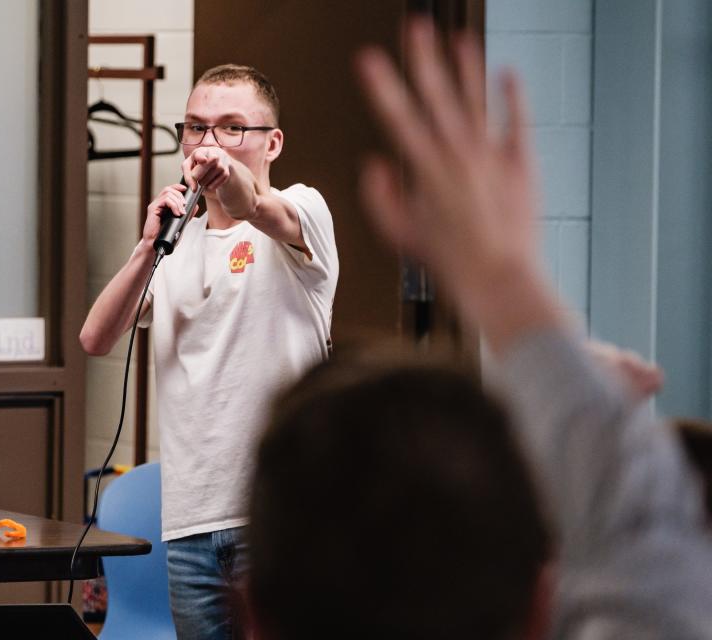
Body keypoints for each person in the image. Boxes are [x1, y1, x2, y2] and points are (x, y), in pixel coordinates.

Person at [246, 17, 712, 639]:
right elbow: (655, 567)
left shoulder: (299, 211)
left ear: (250, 616)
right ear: (543, 608)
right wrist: (508, 286)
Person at [80, 64, 338, 639]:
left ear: (273, 142)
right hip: (191, 522)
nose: (210, 142)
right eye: (196, 128)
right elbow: (95, 339)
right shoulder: (175, 242)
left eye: (231, 128)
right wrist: (148, 246)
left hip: (278, 521)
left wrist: (228, 178)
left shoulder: (302, 212)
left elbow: (253, 207)